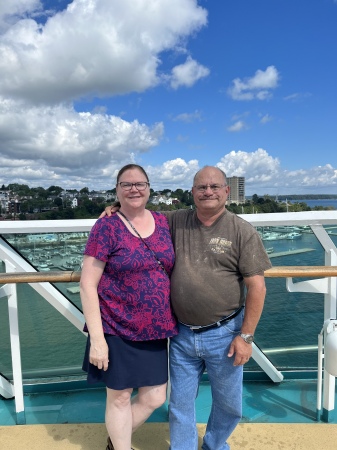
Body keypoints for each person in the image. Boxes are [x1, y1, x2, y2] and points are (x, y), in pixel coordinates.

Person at [103, 165, 272, 450]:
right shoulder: (176, 220)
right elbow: (139, 215)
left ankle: (214, 445)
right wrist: (117, 206)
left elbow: (258, 287)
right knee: (179, 404)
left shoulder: (242, 231)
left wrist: (246, 337)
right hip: (180, 334)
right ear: (192, 193)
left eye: (215, 187)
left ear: (226, 191)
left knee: (229, 403)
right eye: (201, 187)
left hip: (225, 333)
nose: (208, 192)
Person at [80, 163, 178, 450]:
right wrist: (97, 340)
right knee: (119, 396)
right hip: (115, 326)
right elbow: (87, 284)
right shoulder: (106, 227)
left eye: (140, 184)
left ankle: (116, 440)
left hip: (155, 330)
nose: (134, 189)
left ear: (149, 189)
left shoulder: (164, 222)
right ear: (117, 190)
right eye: (127, 184)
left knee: (155, 396)